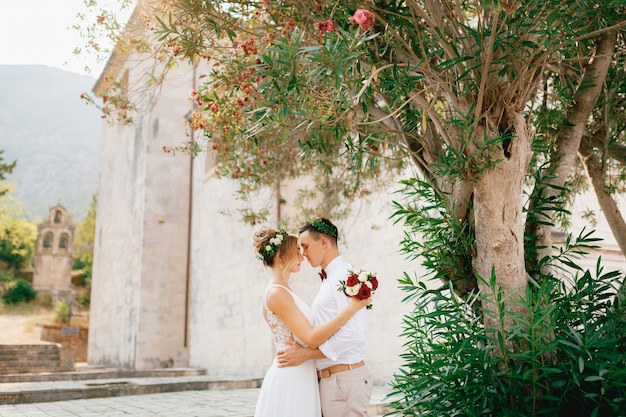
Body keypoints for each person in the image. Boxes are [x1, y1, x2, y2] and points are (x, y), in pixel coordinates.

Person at [252, 226, 371, 417]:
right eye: (297, 251)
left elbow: (350, 333)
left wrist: (307, 355)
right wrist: (350, 310)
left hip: (308, 375)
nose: (302, 257)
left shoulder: (285, 291)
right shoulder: (276, 294)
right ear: (281, 257)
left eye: (304, 249)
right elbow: (311, 337)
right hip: (292, 375)